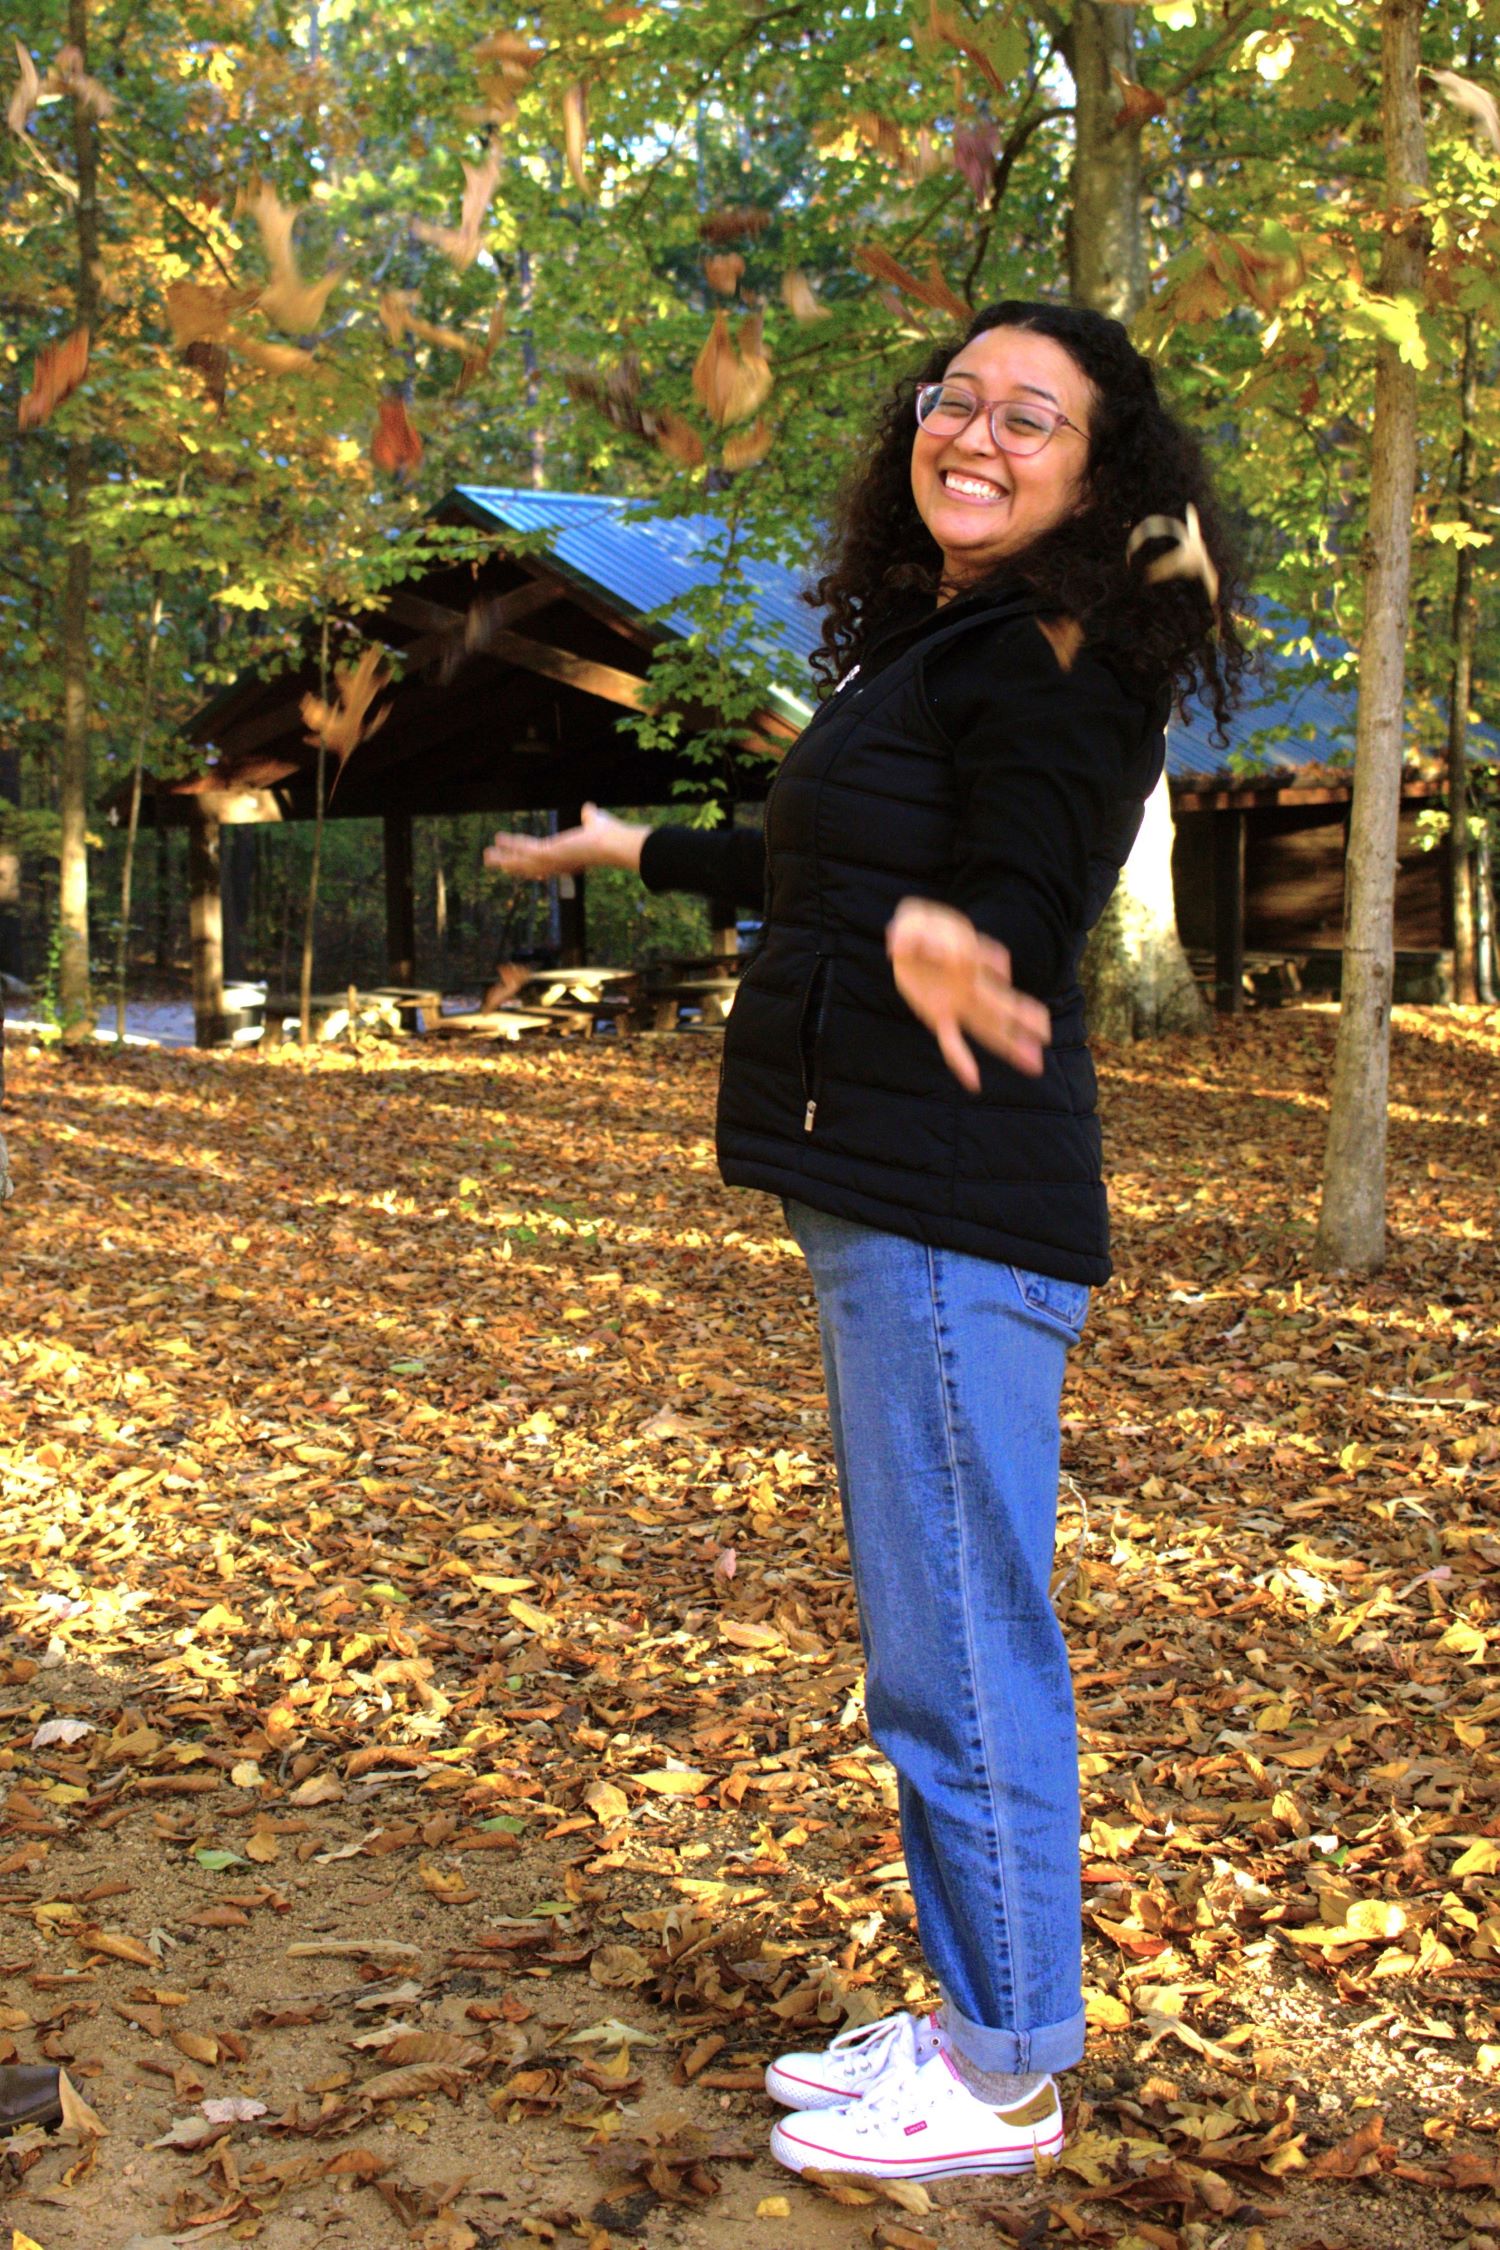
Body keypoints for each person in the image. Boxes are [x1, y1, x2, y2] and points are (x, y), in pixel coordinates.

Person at [485, 300, 1245, 2184]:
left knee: (960, 1652)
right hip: (894, 1192)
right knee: (947, 1636)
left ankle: (999, 2077)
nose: (975, 432)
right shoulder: (961, 641)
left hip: (949, 1202)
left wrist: (979, 938)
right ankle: (985, 2022)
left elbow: (1037, 850)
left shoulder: (1061, 649)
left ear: (1101, 469)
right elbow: (822, 862)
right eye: (954, 398)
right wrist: (626, 854)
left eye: (1033, 417)